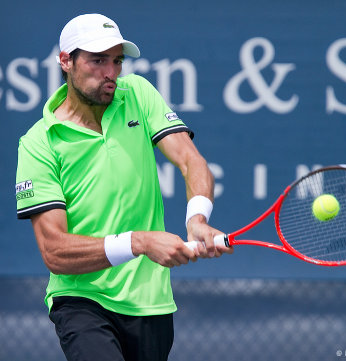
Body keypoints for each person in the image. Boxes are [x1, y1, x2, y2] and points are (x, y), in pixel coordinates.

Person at [15, 13, 232, 361]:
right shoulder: (38, 143)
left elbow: (191, 160)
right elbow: (54, 251)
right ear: (65, 61)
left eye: (117, 61)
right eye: (97, 60)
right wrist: (139, 242)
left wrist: (197, 219)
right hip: (82, 302)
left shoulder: (138, 94)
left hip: (151, 303)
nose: (110, 73)